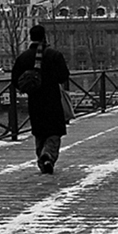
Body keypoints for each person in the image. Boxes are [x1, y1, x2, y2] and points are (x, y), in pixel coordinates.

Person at [11, 25, 70, 174]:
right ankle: (48, 155)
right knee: (54, 131)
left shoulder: (23, 58)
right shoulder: (54, 55)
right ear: (45, 37)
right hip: (52, 100)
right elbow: (64, 76)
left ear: (30, 37)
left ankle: (42, 157)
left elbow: (14, 80)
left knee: (40, 132)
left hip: (35, 101)